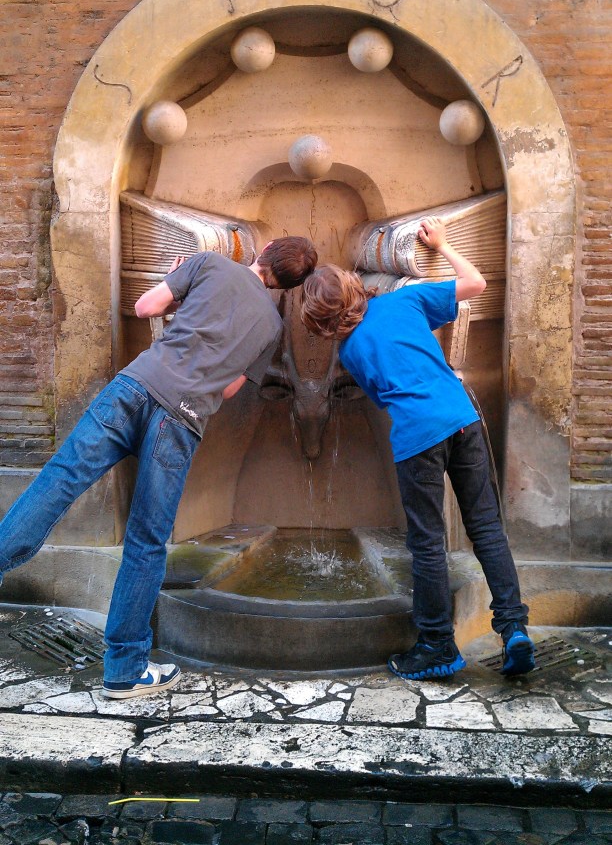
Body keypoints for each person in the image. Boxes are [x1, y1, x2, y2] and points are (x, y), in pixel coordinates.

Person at [0, 237, 317, 698]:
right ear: (290, 284)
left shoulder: (208, 263)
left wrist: (178, 286)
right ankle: (124, 670)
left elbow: (146, 307)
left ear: (265, 249)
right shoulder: (271, 326)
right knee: (147, 541)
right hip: (182, 419)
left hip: (133, 388)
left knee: (58, 481)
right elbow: (229, 392)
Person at [300, 217, 534, 681]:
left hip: (416, 439)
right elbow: (476, 283)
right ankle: (513, 630)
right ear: (355, 288)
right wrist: (444, 245)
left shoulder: (348, 354)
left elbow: (382, 389)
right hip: (462, 419)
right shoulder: (404, 301)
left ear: (321, 320)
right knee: (486, 528)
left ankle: (437, 647)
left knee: (428, 544)